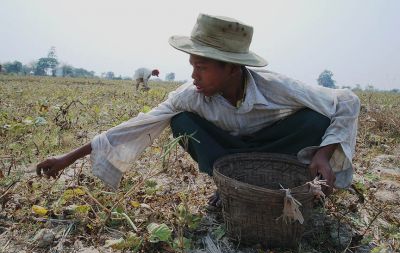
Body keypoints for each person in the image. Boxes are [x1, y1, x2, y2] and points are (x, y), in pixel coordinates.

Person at [37, 13, 360, 207]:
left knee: (316, 117)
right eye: (192, 65)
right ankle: (228, 183)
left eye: (202, 67)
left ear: (233, 68)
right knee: (179, 120)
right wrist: (67, 158)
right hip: (227, 153)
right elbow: (135, 126)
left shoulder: (276, 86)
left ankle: (288, 182)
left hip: (275, 150)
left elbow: (347, 100)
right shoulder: (190, 95)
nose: (194, 76)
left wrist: (324, 152)